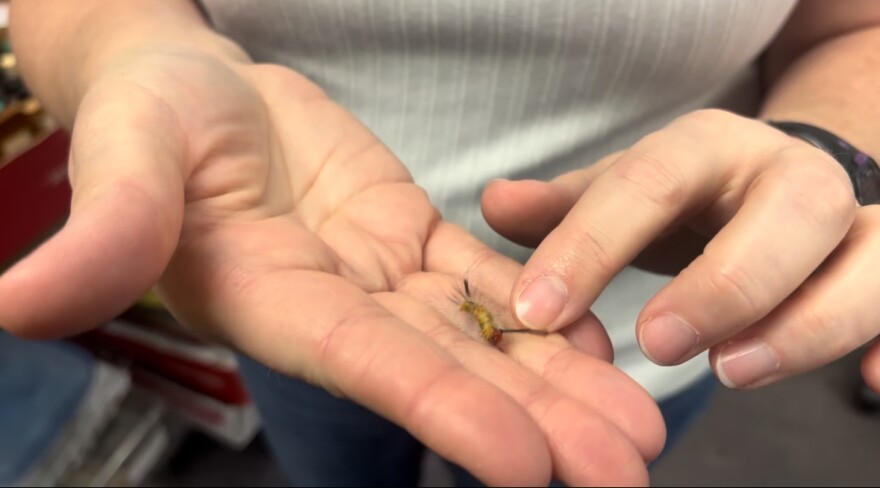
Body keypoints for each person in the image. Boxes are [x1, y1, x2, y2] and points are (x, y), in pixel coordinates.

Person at [4, 0, 880, 486]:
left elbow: (854, 27)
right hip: (294, 268)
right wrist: (126, 45)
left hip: (651, 327)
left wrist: (828, 151)